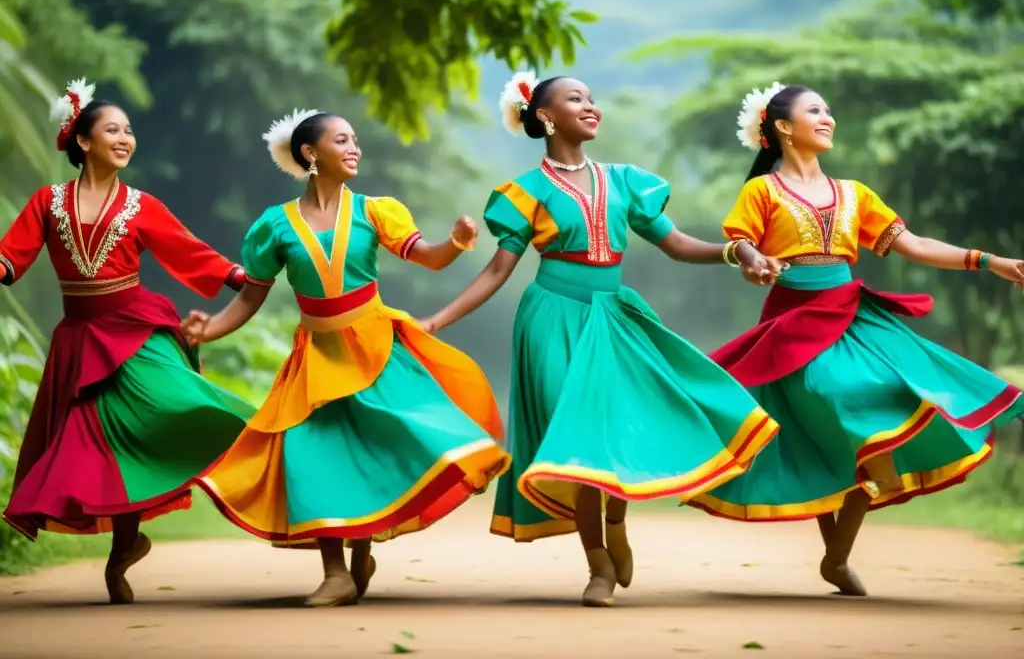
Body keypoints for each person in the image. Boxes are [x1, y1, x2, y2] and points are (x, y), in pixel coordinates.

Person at [417, 71, 781, 607]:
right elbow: (496, 272)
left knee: (611, 430)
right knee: (578, 439)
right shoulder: (525, 193)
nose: (591, 106)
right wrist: (435, 322)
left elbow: (676, 244)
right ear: (545, 116)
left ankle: (616, 522)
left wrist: (739, 252)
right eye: (575, 99)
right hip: (551, 321)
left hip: (613, 318)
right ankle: (597, 565)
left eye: (592, 99)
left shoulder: (626, 182)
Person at [688, 82, 1024, 597]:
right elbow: (741, 243)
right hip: (794, 322)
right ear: (782, 128)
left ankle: (836, 559)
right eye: (815, 110)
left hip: (851, 315)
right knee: (832, 401)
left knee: (880, 403)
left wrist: (987, 260)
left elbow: (912, 244)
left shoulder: (854, 193)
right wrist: (755, 262)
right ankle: (853, 524)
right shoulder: (763, 191)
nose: (828, 118)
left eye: (828, 110)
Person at [179, 108, 510, 608]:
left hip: (376, 346)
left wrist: (457, 243)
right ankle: (335, 573)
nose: (355, 147)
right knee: (315, 456)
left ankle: (362, 549)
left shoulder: (376, 211)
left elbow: (428, 255)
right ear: (311, 153)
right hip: (316, 356)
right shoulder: (275, 226)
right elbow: (250, 296)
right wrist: (212, 329)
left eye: (356, 140)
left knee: (388, 439)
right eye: (342, 140)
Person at [0, 79, 254, 604]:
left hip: (137, 332)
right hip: (80, 341)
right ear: (83, 141)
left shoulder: (141, 205)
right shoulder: (47, 203)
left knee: (174, 408)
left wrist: (244, 278)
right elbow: (11, 256)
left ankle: (259, 437)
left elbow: (189, 251)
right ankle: (124, 549)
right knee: (96, 449)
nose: (125, 138)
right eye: (113, 129)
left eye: (129, 130)